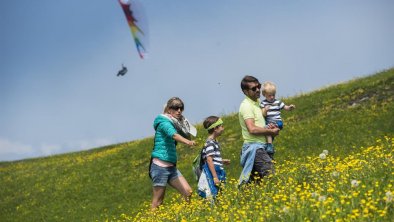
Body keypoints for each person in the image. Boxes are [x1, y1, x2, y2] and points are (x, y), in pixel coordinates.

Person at [149, 97, 196, 209]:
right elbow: (173, 135)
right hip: (159, 166)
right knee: (158, 202)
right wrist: (188, 142)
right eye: (175, 108)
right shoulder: (164, 122)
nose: (179, 110)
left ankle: (186, 217)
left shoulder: (175, 123)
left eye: (181, 108)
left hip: (171, 167)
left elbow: (184, 132)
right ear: (169, 110)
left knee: (188, 192)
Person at [238, 75, 280, 185]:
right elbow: (252, 129)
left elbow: (260, 124)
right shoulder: (246, 106)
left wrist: (269, 126)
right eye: (253, 88)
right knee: (271, 175)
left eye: (258, 86)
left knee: (256, 184)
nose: (258, 90)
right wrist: (270, 132)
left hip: (261, 146)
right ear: (245, 91)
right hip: (255, 149)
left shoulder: (257, 102)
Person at [197, 116, 231, 199]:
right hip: (213, 171)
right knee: (213, 193)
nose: (223, 128)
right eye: (221, 126)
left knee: (219, 194)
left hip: (217, 169)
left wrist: (221, 161)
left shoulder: (214, 142)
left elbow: (212, 159)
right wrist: (215, 177)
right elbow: (209, 160)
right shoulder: (210, 143)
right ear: (215, 128)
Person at [260, 81, 296, 157]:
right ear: (264, 95)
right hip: (269, 122)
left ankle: (269, 146)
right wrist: (265, 110)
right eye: (269, 95)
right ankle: (269, 148)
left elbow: (285, 107)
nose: (272, 97)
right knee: (266, 130)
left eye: (273, 95)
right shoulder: (263, 103)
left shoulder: (277, 102)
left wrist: (289, 107)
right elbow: (263, 114)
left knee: (267, 130)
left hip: (278, 122)